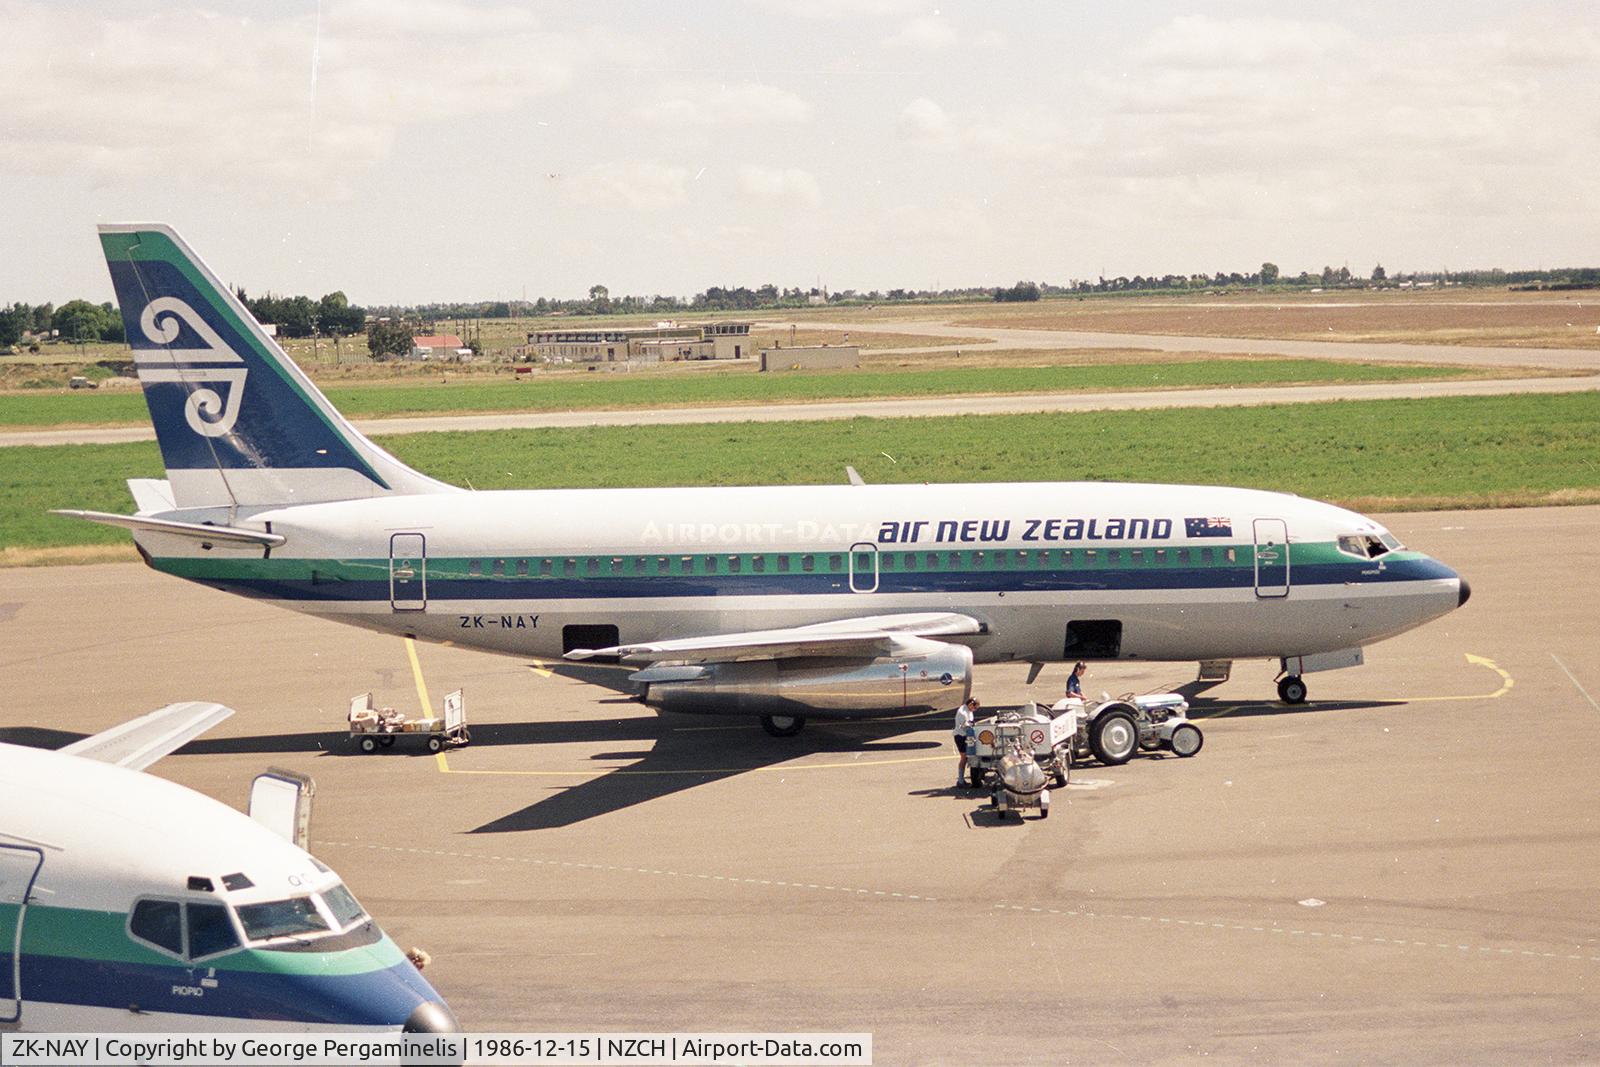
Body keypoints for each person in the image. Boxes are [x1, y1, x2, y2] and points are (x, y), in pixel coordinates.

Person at [954, 697, 980, 786]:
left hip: (966, 735)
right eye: (975, 708)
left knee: (968, 757)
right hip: (960, 736)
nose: (975, 710)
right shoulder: (963, 713)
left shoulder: (969, 710)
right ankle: (960, 781)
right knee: (964, 757)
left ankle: (962, 780)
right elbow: (965, 726)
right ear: (970, 704)